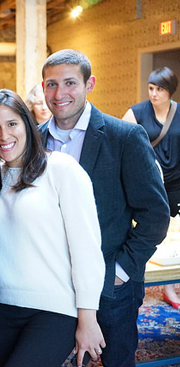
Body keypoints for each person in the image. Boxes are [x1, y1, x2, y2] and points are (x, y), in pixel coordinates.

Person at [39, 49, 170, 367]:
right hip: (51, 282)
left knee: (116, 360)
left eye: (70, 82)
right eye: (51, 84)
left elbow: (155, 213)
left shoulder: (124, 137)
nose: (60, 94)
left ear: (89, 83)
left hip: (112, 284)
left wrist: (122, 270)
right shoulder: (34, 140)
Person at [0, 89, 105, 367]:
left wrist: (88, 317)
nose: (4, 135)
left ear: (27, 123)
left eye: (12, 124)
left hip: (53, 308)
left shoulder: (61, 168)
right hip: (3, 306)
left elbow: (86, 248)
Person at [122, 67, 180, 309]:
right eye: (151, 88)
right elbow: (122, 145)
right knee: (147, 231)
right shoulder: (136, 112)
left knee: (174, 236)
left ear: (170, 91)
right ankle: (139, 279)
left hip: (176, 180)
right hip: (147, 181)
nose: (154, 94)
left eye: (160, 89)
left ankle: (169, 287)